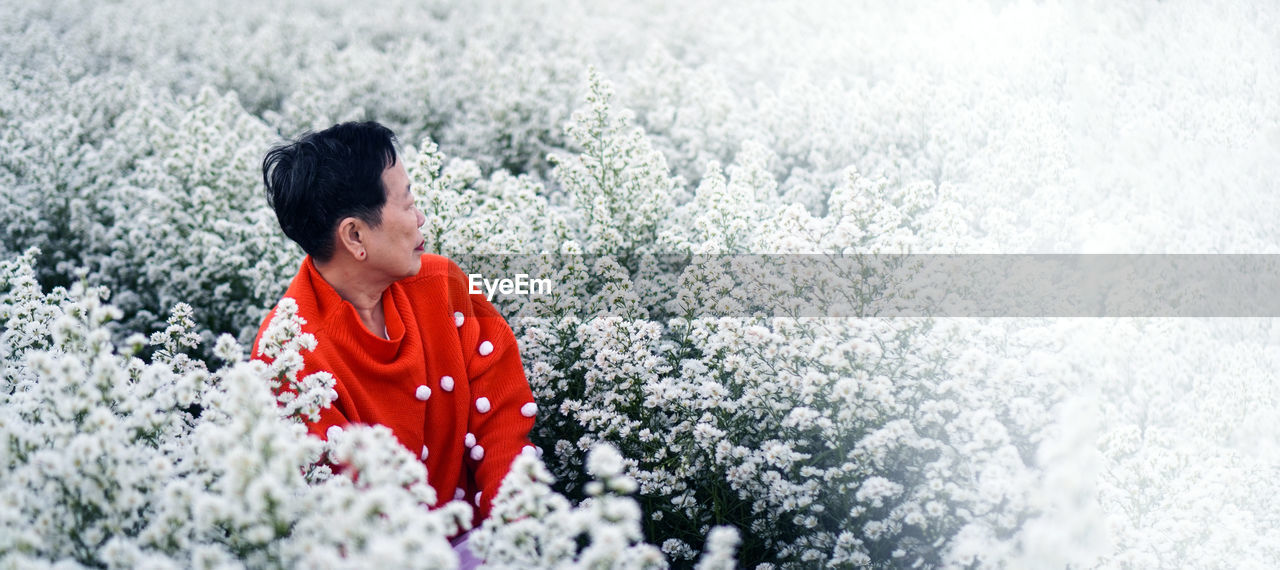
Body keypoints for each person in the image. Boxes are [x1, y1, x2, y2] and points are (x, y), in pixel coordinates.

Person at [253, 121, 538, 541]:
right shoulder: (288, 356)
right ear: (354, 235)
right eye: (407, 204)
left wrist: (517, 542)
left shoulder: (444, 284)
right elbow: (348, 522)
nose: (421, 217)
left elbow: (503, 426)